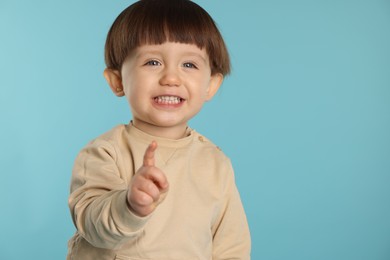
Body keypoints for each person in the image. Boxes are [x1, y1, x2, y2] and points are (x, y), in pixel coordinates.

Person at [67, 0, 251, 259]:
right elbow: (91, 223)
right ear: (117, 80)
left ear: (211, 84)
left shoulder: (216, 163)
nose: (171, 78)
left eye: (189, 65)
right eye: (153, 62)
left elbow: (231, 246)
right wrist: (129, 206)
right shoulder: (104, 153)